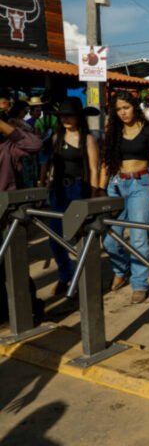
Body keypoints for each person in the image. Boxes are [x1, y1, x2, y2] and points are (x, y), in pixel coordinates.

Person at [100, 91, 149, 305]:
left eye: (126, 107)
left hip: (141, 185)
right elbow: (106, 163)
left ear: (134, 107)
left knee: (138, 237)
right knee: (110, 239)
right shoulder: (114, 132)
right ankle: (121, 269)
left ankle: (139, 284)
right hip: (116, 185)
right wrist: (101, 189)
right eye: (118, 109)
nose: (122, 113)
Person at [47, 98, 100, 296]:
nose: (66, 119)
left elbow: (94, 169)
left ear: (79, 117)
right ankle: (65, 274)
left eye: (69, 115)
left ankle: (82, 278)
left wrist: (94, 196)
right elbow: (54, 165)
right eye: (62, 115)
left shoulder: (88, 139)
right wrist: (49, 183)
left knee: (80, 236)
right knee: (54, 237)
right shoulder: (56, 138)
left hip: (79, 189)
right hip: (58, 190)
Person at [0, 111, 43, 324]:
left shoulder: (9, 145)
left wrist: (3, 126)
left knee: (13, 265)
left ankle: (30, 309)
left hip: (7, 214)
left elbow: (34, 145)